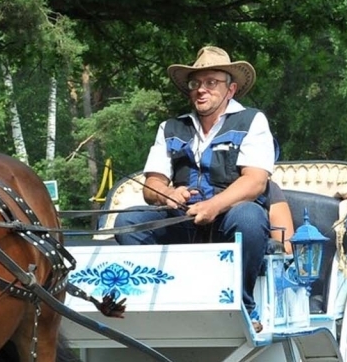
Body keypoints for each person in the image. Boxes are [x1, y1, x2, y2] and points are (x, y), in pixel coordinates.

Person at [115, 46, 276, 326]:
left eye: (211, 83)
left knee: (250, 217)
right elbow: (151, 184)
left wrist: (214, 205)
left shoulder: (252, 121)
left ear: (231, 89)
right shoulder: (170, 128)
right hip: (182, 219)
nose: (202, 90)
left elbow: (255, 181)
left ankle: (242, 308)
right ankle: (162, 300)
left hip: (228, 218)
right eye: (195, 83)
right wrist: (168, 194)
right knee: (128, 221)